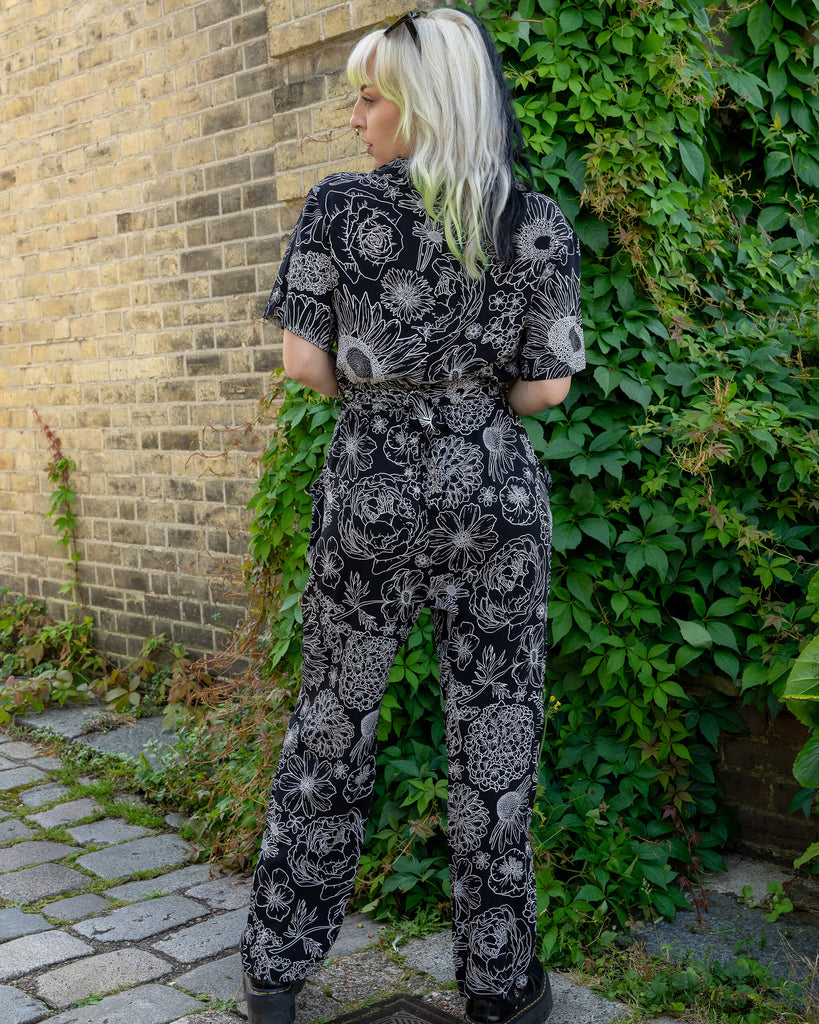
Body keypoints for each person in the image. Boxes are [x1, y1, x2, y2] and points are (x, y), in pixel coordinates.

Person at [240, 8, 585, 1024]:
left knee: (332, 731)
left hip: (370, 497)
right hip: (496, 502)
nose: (355, 116)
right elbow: (547, 391)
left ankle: (276, 971)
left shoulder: (338, 209)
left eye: (372, 95)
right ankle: (500, 986)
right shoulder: (536, 218)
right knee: (496, 739)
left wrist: (388, 393)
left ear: (424, 103)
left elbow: (305, 363)